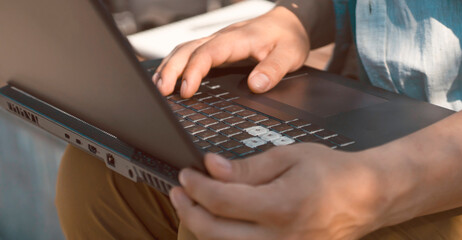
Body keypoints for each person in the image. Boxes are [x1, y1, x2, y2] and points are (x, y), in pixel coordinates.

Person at [55, 0, 462, 239]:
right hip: (371, 101)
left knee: (230, 218)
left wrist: (374, 191)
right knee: (100, 173)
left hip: (443, 159)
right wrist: (296, 19)